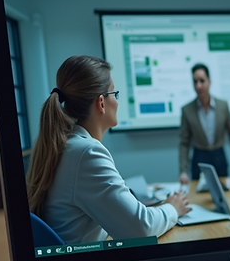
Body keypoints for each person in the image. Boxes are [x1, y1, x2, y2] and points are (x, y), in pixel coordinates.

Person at [26, 55, 190, 245]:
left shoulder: (67, 145)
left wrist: (127, 205)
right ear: (101, 103)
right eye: (115, 93)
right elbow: (141, 230)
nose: (118, 102)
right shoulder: (86, 153)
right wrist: (172, 208)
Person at [178, 63, 230, 184]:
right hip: (199, 158)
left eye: (202, 81)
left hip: (219, 157)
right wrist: (183, 171)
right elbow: (184, 143)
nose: (199, 86)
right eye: (195, 81)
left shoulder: (222, 106)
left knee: (223, 193)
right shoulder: (187, 110)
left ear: (209, 82)